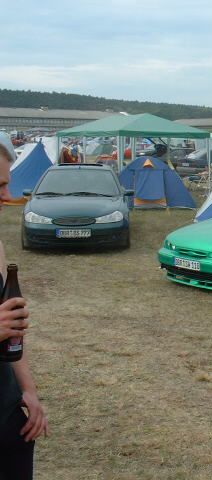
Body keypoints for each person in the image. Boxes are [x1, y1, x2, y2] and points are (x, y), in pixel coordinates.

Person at [0, 132, 49, 480]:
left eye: (6, 184)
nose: (7, 196)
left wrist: (29, 392)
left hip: (6, 412)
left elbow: (12, 332)